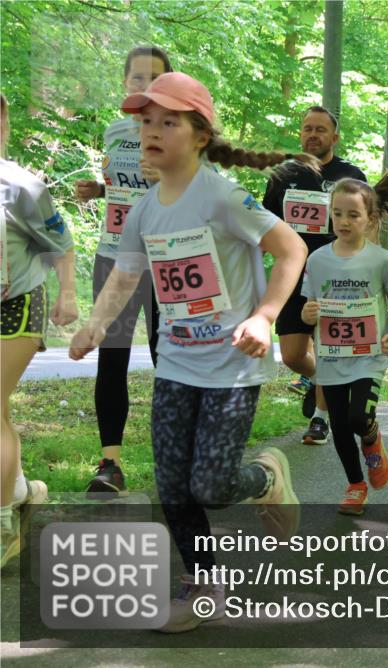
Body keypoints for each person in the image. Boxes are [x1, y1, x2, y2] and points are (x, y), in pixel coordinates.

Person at [68, 73, 307, 632]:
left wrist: (264, 315)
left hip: (232, 366)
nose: (151, 130)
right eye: (145, 120)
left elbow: (291, 249)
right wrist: (94, 326)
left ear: (200, 135)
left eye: (168, 121)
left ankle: (266, 476)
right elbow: (127, 274)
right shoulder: (146, 208)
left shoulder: (222, 195)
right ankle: (203, 587)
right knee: (173, 487)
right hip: (176, 362)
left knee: (212, 487)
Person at [73, 46, 172, 498]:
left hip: (165, 258)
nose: (145, 85)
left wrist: (164, 179)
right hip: (114, 254)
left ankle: (175, 457)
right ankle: (110, 465)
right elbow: (121, 185)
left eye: (155, 77)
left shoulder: (181, 130)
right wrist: (98, 188)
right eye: (137, 78)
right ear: (125, 83)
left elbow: (196, 194)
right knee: (111, 357)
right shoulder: (115, 130)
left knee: (166, 357)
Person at [301, 167, 388, 514]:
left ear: (370, 219)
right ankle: (355, 485)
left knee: (357, 418)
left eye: (353, 214)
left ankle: (371, 437)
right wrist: (310, 315)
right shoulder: (318, 259)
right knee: (338, 425)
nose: (343, 220)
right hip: (332, 354)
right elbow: (310, 305)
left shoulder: (380, 259)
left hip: (369, 355)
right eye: (337, 213)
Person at [1, 93, 77, 568]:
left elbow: (62, 242)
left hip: (18, 305)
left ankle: (3, 522)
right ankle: (23, 490)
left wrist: (68, 293)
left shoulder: (19, 185)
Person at [263, 106, 367, 446]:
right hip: (292, 273)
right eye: (307, 128)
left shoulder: (350, 175)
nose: (313, 135)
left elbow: (368, 221)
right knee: (293, 355)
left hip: (335, 274)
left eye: (320, 130)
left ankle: (320, 419)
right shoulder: (284, 174)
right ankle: (327, 383)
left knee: (328, 349)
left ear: (334, 137)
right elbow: (266, 223)